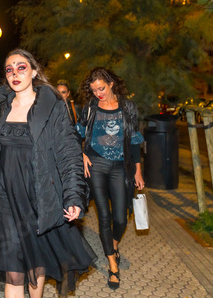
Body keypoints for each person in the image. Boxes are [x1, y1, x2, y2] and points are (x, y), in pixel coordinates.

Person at [0, 49, 96, 298]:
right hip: (6, 195)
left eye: (21, 67)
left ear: (34, 71)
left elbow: (68, 152)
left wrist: (73, 196)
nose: (15, 74)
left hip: (39, 193)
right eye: (9, 69)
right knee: (13, 268)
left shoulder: (51, 106)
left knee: (34, 260)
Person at [76, 67, 145, 290]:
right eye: (94, 90)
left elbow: (134, 140)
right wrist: (82, 153)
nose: (98, 93)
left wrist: (137, 170)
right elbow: (76, 134)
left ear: (111, 83)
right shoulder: (90, 108)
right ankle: (112, 264)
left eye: (101, 88)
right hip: (96, 165)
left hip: (120, 166)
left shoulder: (128, 108)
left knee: (121, 218)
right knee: (104, 217)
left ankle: (113, 243)